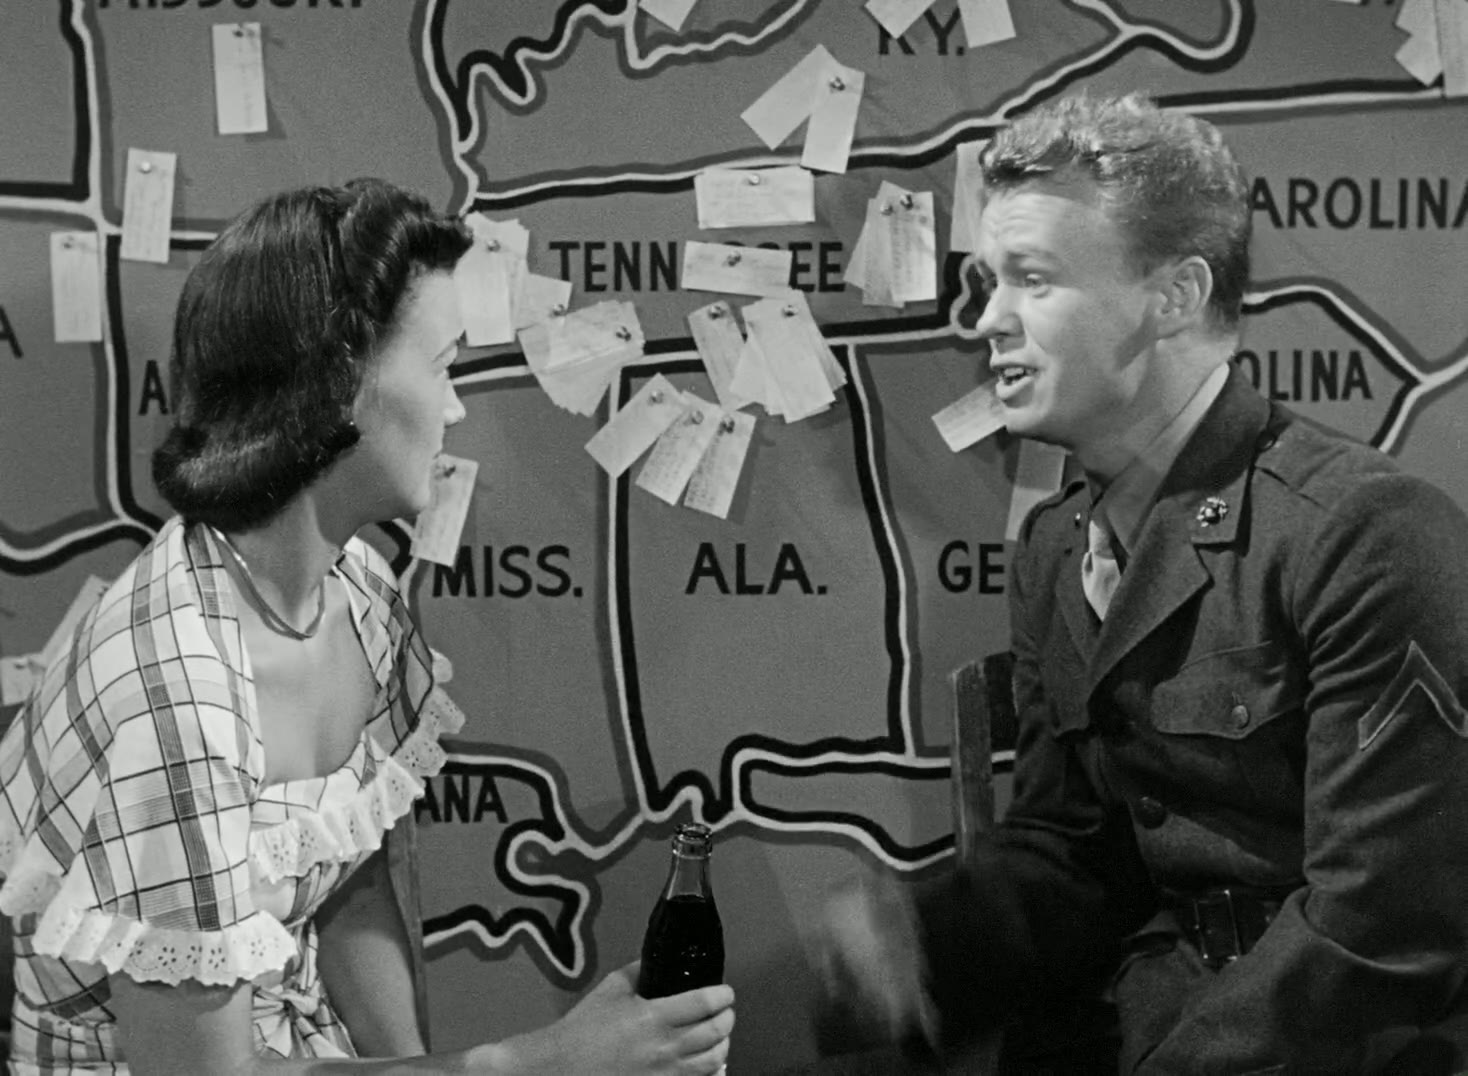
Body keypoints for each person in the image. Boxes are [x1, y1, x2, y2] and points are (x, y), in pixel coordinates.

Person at [0, 179, 734, 1074]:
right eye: (443, 365)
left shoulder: (359, 589)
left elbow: (349, 885)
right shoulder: (176, 700)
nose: (456, 408)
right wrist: (541, 1065)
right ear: (337, 384)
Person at [819, 93, 1468, 1073]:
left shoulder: (1364, 535)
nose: (987, 319)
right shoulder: (1054, 546)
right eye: (990, 281)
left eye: (1032, 279)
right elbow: (1076, 847)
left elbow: (1380, 928)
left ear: (1173, 297)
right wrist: (925, 949)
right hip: (1121, 1018)